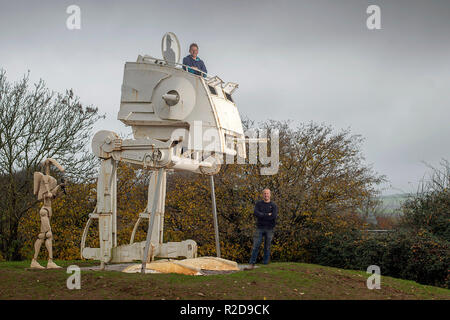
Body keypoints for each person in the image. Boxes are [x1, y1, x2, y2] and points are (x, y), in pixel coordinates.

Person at [247, 188, 278, 269]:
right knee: (256, 246)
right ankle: (252, 263)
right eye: (265, 193)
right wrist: (267, 215)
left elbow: (273, 216)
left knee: (267, 246)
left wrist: (263, 215)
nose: (266, 195)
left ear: (270, 195)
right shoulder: (258, 204)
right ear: (262, 195)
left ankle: (265, 263)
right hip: (259, 228)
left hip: (270, 228)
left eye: (267, 193)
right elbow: (256, 213)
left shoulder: (274, 205)